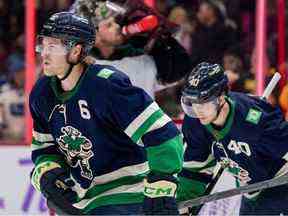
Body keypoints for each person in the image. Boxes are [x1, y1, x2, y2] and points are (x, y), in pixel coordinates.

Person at [29, 12, 184, 215]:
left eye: (52, 47)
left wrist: (162, 184)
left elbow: (164, 133)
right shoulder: (42, 93)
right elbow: (44, 148)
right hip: (85, 198)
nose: (44, 53)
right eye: (43, 45)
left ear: (76, 51)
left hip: (129, 190)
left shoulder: (106, 85)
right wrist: (48, 174)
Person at [177, 62, 288, 215]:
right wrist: (184, 206)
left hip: (279, 181)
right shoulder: (195, 123)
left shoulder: (254, 120)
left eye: (203, 103)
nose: (197, 110)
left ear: (221, 98)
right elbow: (195, 169)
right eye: (192, 103)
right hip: (251, 188)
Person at [71, 0, 192, 98]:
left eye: (115, 21)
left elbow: (178, 72)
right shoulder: (82, 72)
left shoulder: (137, 57)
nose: (117, 26)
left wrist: (161, 40)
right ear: (93, 36)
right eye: (109, 25)